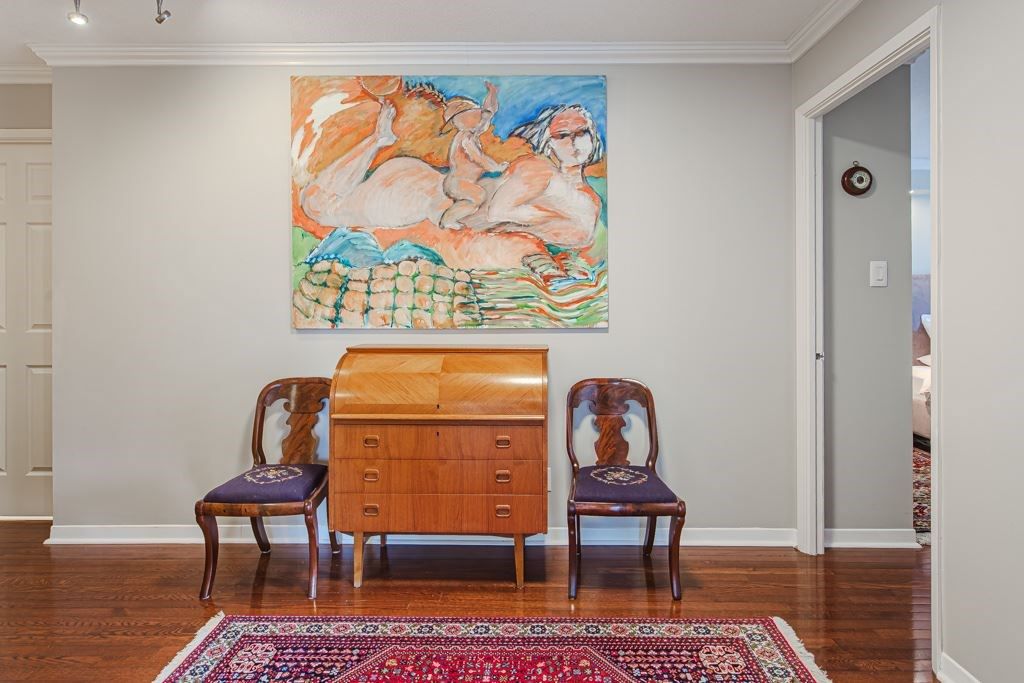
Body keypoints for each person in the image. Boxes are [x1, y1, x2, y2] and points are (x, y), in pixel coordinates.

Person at [439, 82, 508, 229]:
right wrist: (496, 167)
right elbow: (478, 157)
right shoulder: (466, 138)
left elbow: (489, 112)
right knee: (477, 196)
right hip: (458, 183)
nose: (482, 121)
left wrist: (492, 93)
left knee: (482, 193)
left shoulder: (472, 135)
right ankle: (447, 219)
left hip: (464, 181)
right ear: (463, 120)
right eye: (477, 117)